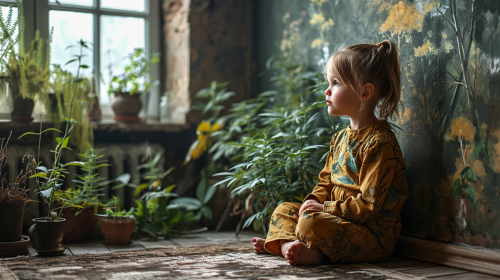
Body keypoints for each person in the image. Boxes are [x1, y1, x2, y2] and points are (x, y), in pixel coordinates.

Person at [252, 40, 409, 266]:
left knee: (310, 223)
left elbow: (368, 206)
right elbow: (326, 182)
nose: (327, 90)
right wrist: (314, 201)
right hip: (335, 218)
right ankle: (290, 247)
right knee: (284, 209)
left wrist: (322, 209)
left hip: (369, 235)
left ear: (365, 92)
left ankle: (304, 250)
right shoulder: (340, 138)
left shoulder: (380, 143)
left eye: (335, 83)